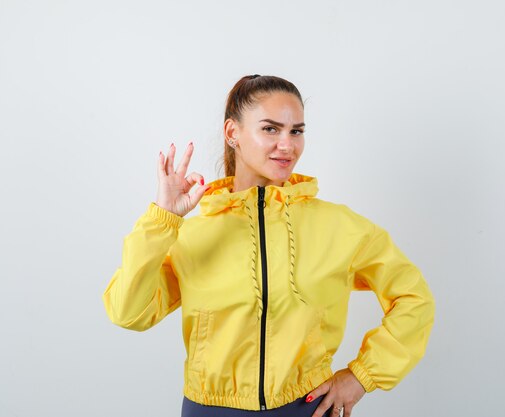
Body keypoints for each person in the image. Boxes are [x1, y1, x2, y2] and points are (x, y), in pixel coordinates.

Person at [102, 74, 436, 417]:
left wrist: (360, 376)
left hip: (308, 408)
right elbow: (128, 312)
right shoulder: (192, 234)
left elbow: (414, 298)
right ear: (233, 133)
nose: (287, 145)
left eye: (297, 131)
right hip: (210, 411)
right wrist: (163, 219)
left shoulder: (340, 227)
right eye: (271, 129)